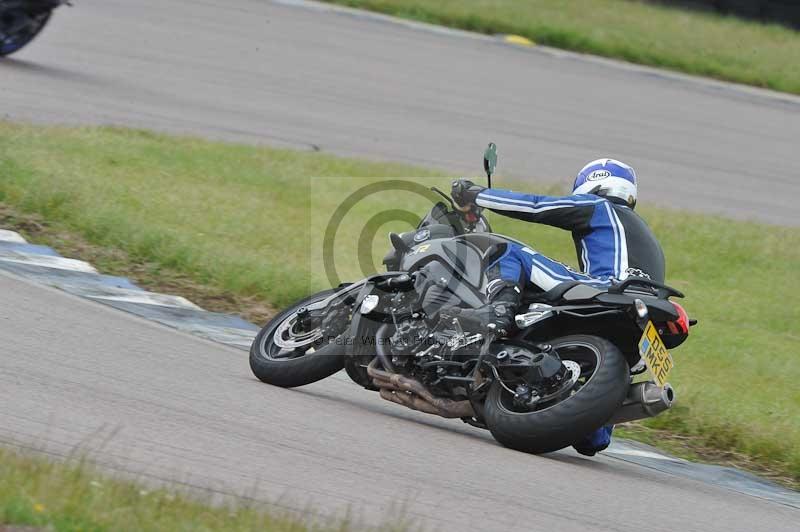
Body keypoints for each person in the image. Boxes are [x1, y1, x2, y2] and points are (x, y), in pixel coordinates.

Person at [450, 158, 665, 456]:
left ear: (593, 184)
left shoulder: (600, 207)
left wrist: (476, 194)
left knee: (508, 251)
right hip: (645, 312)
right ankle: (594, 427)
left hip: (609, 288)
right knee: (594, 438)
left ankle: (497, 312)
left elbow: (536, 206)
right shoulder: (647, 235)